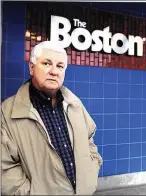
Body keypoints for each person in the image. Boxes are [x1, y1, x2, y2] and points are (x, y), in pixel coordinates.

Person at [1, 41, 103, 195]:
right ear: (32, 67)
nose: (54, 71)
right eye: (47, 63)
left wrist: (91, 170)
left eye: (60, 66)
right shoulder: (7, 111)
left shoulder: (74, 104)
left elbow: (89, 139)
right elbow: (5, 167)